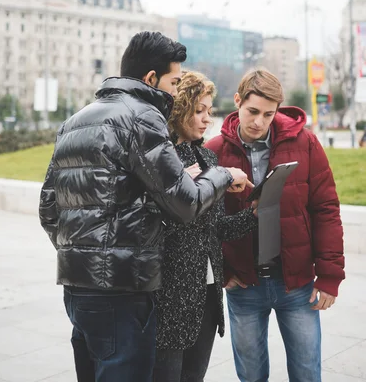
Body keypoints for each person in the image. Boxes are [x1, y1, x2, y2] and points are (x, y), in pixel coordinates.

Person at [39, 31, 248, 382]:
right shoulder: (142, 116)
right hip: (123, 293)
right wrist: (224, 174)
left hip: (76, 290)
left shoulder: (74, 121)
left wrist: (82, 255)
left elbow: (48, 208)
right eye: (174, 81)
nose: (174, 92)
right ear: (151, 79)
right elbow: (185, 203)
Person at [206, 68, 345, 382]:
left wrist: (329, 274)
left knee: (307, 373)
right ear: (238, 101)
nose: (259, 122)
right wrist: (223, 271)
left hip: (296, 283)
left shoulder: (305, 143)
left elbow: (326, 210)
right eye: (252, 111)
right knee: (251, 376)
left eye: (269, 114)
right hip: (243, 284)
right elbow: (202, 224)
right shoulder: (214, 151)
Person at [153, 71, 258, 382]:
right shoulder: (160, 157)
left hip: (209, 293)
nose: (206, 119)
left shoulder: (211, 159)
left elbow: (215, 229)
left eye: (209, 111)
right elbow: (158, 225)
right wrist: (185, 186)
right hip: (169, 295)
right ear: (179, 108)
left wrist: (253, 215)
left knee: (194, 376)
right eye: (198, 110)